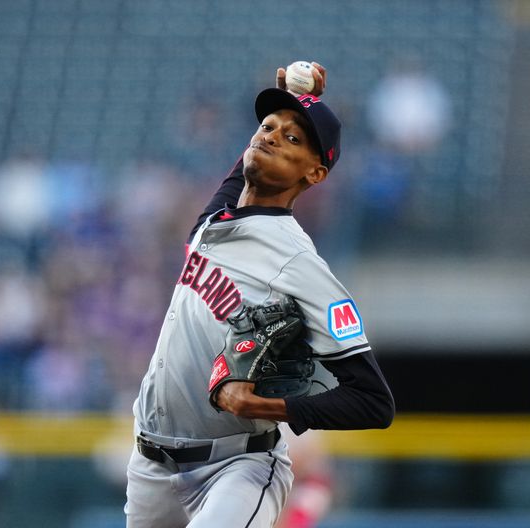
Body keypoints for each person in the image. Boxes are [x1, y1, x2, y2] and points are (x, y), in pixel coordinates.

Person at [124, 63, 395, 528]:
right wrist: (287, 97)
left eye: (292, 139)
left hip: (237, 467)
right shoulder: (214, 223)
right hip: (149, 465)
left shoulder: (299, 265)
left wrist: (264, 408)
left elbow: (373, 401)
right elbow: (242, 175)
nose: (270, 136)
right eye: (267, 127)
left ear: (315, 173)